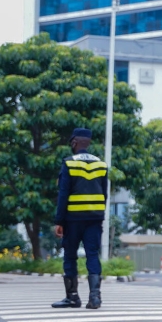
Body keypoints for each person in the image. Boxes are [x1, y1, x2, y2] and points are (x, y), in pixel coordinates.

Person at [51, 127, 108, 309]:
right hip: (94, 219)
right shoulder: (101, 164)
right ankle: (95, 297)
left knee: (70, 255)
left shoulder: (69, 163)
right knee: (92, 254)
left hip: (73, 219)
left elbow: (63, 194)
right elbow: (104, 194)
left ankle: (73, 297)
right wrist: (99, 216)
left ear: (74, 142)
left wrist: (59, 221)